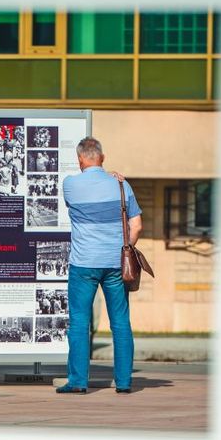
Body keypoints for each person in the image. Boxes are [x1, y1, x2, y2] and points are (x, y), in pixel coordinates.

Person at [57, 137, 142, 395]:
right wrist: (124, 247)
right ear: (102, 158)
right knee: (120, 322)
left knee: (80, 322)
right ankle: (125, 382)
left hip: (83, 264)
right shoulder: (121, 185)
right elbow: (136, 225)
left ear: (80, 159)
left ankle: (78, 382)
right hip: (116, 264)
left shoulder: (70, 185)